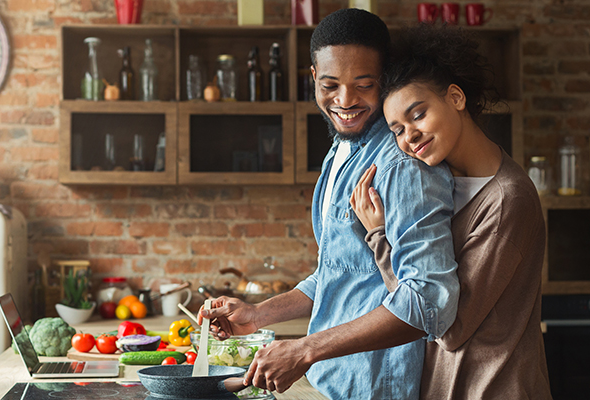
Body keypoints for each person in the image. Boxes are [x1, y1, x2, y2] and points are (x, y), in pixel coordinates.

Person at [199, 9, 460, 399]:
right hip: (333, 383)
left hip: (378, 387)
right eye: (330, 84)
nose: (345, 100)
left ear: (384, 78)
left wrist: (305, 349)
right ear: (313, 78)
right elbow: (340, 271)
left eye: (363, 84)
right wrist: (259, 314)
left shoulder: (402, 166)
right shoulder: (342, 149)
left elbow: (428, 302)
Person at [350, 24, 552, 399]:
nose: (409, 136)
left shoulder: (508, 200)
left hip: (494, 389)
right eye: (396, 129)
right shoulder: (439, 186)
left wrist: (379, 237)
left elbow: (448, 324)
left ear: (456, 98)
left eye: (418, 114)